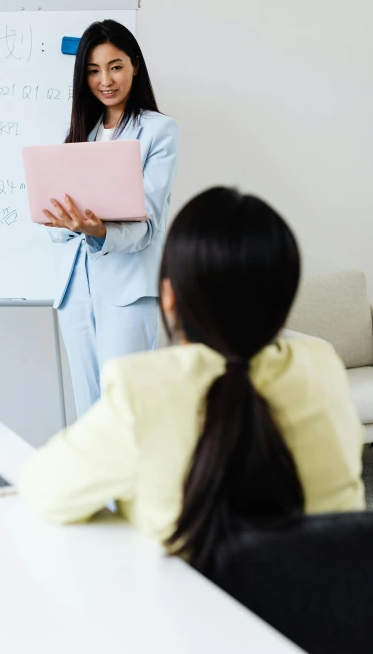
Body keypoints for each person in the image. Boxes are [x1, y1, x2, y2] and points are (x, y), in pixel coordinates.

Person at [20, 187, 365, 571]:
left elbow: (43, 489)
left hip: (194, 625)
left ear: (168, 295)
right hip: (329, 616)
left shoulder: (142, 388)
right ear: (284, 298)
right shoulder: (322, 367)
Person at [43, 20, 180, 417]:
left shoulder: (159, 131)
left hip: (127, 290)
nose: (105, 80)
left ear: (135, 65)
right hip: (75, 291)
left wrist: (98, 231)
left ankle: (134, 482)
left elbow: (147, 226)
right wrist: (63, 223)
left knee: (124, 412)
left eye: (115, 66)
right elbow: (57, 230)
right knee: (88, 414)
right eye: (93, 70)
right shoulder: (75, 135)